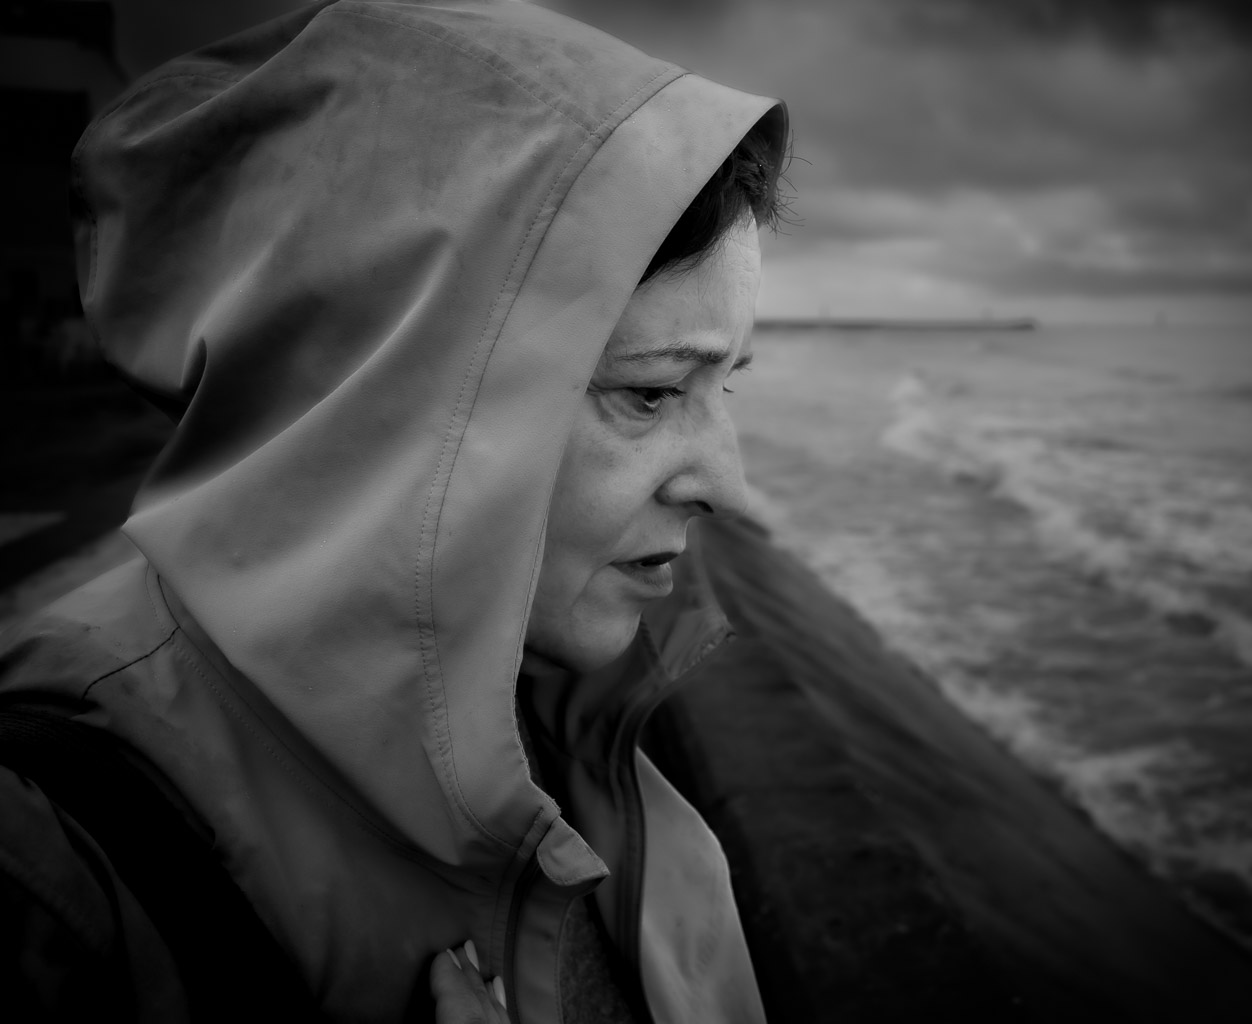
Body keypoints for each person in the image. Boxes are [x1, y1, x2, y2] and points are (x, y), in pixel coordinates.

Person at [0, 1, 789, 1021]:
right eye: (651, 392)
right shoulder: (57, 861)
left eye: (727, 383)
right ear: (397, 403)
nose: (726, 483)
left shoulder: (571, 732)